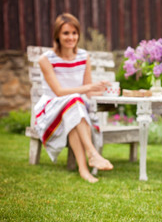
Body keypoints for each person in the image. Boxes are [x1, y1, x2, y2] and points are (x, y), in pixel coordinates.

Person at [34, 13, 113, 183]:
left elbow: (89, 92)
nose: (71, 37)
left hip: (74, 109)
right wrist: (88, 88)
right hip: (51, 108)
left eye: (74, 33)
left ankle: (84, 169)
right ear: (57, 35)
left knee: (74, 107)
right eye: (66, 33)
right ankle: (92, 154)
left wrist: (103, 89)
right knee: (74, 102)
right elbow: (59, 91)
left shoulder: (84, 56)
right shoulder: (46, 59)